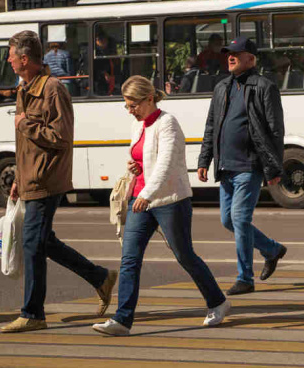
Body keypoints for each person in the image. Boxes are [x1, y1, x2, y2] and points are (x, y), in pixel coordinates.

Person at [0, 31, 117, 333]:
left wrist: (25, 123)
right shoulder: (26, 88)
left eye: (11, 56)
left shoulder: (52, 90)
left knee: (32, 244)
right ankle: (99, 277)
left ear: (24, 59)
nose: (9, 60)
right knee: (42, 241)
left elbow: (60, 138)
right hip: (31, 177)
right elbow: (25, 143)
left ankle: (33, 313)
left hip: (47, 178)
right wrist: (17, 175)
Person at [93, 76, 229, 336]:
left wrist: (147, 193)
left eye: (134, 105)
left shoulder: (168, 123)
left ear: (150, 99)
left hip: (170, 200)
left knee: (184, 255)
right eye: (127, 106)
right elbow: (143, 157)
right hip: (140, 199)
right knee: (130, 259)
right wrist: (134, 167)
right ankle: (122, 320)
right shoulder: (138, 124)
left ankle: (218, 302)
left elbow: (166, 164)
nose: (130, 111)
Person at [197, 36, 287, 295]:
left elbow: (275, 130)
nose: (230, 57)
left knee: (239, 218)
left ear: (251, 58)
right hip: (225, 167)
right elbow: (211, 126)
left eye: (236, 53)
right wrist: (204, 160)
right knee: (228, 221)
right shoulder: (221, 87)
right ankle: (271, 249)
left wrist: (273, 168)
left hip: (249, 166)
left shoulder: (263, 87)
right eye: (228, 53)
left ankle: (245, 278)